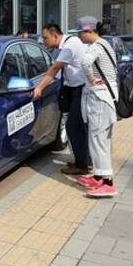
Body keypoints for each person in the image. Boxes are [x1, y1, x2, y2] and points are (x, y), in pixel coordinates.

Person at [33, 23, 92, 176]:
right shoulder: (69, 43)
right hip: (75, 89)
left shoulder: (69, 45)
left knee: (74, 126)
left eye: (45, 38)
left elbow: (54, 68)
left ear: (55, 36)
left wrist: (39, 88)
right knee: (79, 127)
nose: (44, 41)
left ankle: (83, 165)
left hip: (81, 90)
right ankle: (84, 161)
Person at [75, 16, 119, 197]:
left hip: (99, 100)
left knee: (99, 141)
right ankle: (99, 176)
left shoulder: (96, 47)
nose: (79, 36)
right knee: (102, 140)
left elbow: (85, 62)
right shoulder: (106, 44)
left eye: (80, 33)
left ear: (89, 31)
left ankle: (108, 184)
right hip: (106, 98)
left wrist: (91, 79)